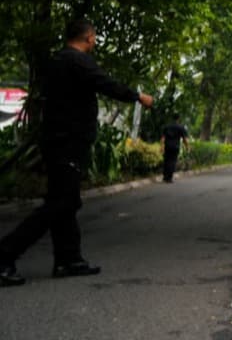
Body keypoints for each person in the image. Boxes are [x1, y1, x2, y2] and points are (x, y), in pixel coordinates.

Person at [0, 19, 154, 287]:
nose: (94, 41)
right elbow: (106, 84)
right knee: (59, 203)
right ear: (89, 37)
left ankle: (69, 259)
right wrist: (138, 97)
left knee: (67, 201)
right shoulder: (78, 61)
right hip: (68, 142)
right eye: (94, 37)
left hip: (56, 140)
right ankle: (4, 255)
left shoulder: (56, 61)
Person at [160, 114, 190, 183]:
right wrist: (187, 147)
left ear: (172, 118)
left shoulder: (167, 126)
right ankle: (169, 178)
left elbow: (163, 138)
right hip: (175, 146)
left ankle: (165, 177)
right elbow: (185, 139)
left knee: (166, 161)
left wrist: (161, 147)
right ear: (179, 119)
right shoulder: (181, 127)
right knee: (172, 162)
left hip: (167, 146)